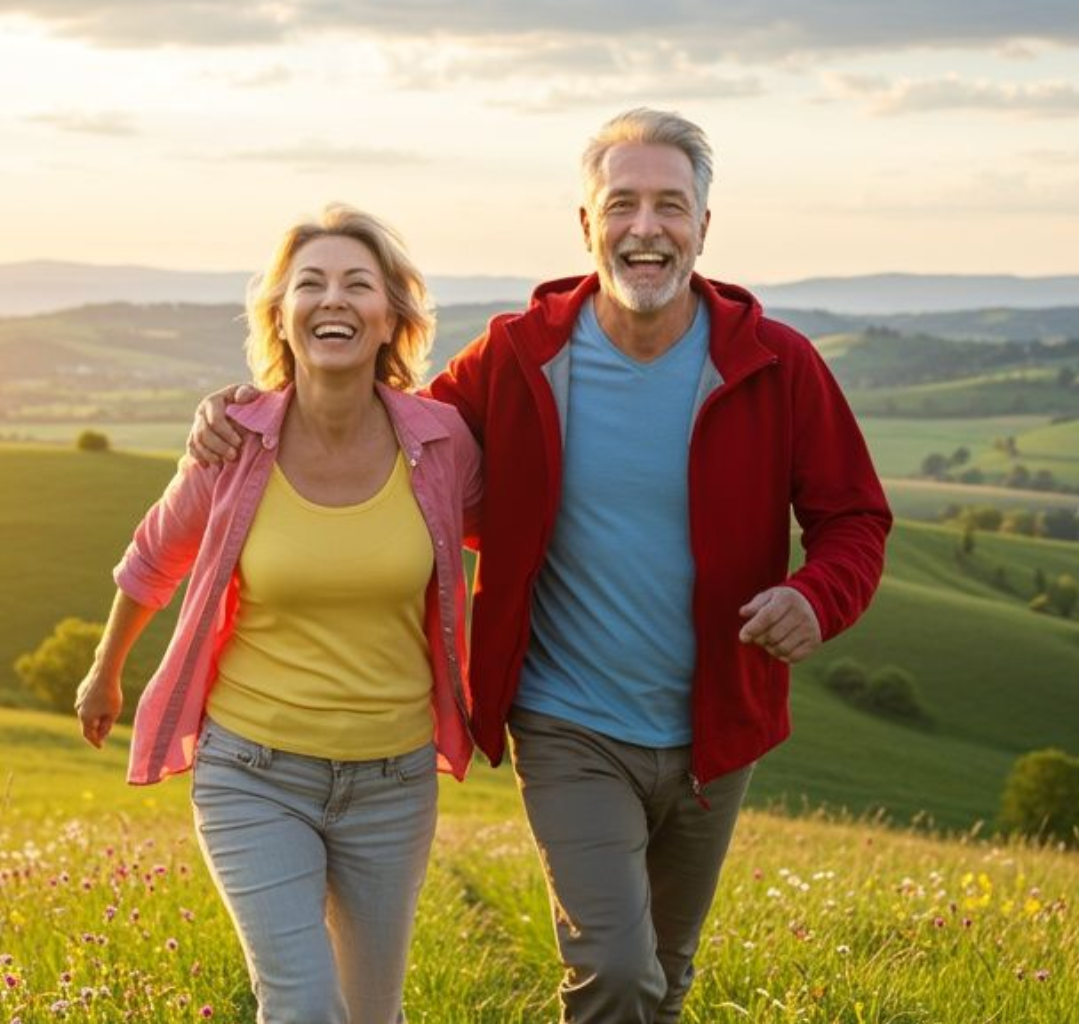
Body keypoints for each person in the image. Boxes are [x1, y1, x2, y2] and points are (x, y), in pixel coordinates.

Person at [189, 109, 891, 1023]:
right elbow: (383, 429)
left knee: (665, 980)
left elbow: (855, 519)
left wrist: (816, 596)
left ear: (704, 229)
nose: (647, 228)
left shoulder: (777, 366)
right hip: (569, 725)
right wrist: (254, 411)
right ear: (587, 224)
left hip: (719, 728)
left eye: (670, 206)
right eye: (623, 204)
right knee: (618, 972)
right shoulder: (520, 356)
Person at [75, 203, 480, 1024]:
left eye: (357, 284)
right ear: (282, 316)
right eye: (311, 284)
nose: (333, 299)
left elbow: (520, 533)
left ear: (391, 317)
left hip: (392, 780)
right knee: (301, 1008)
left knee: (372, 1013)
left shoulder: (441, 444)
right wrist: (103, 671)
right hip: (253, 773)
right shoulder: (234, 444)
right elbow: (153, 557)